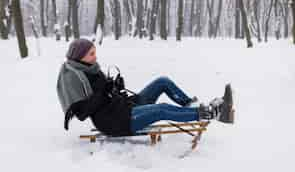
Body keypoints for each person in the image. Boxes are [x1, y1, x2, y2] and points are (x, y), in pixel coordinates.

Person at [56, 39, 233, 137]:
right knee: (162, 109)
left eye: (95, 52)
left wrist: (116, 87)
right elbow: (82, 113)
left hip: (125, 106)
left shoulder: (92, 69)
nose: (96, 57)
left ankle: (189, 107)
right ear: (80, 56)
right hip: (115, 121)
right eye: (91, 54)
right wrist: (106, 91)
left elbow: (106, 93)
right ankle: (211, 113)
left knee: (162, 81)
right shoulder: (73, 78)